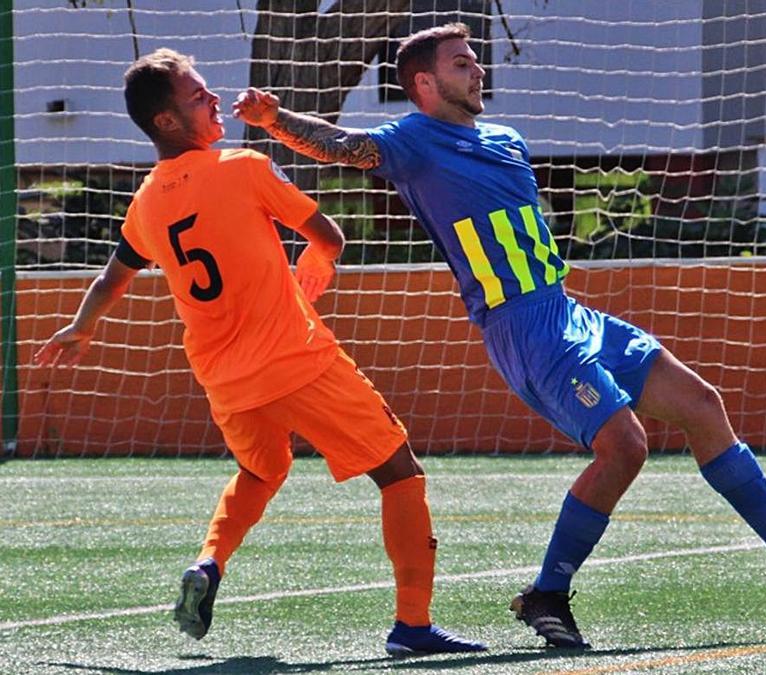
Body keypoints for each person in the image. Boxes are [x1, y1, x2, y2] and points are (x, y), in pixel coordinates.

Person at [234, 23, 766, 650]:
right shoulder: (413, 139)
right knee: (624, 444)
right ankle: (549, 593)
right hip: (523, 325)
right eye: (462, 62)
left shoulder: (507, 139)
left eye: (475, 58)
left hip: (569, 311)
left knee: (701, 405)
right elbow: (345, 144)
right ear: (425, 83)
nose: (478, 67)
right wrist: (274, 119)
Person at [33, 48, 485, 657]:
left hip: (223, 380)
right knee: (399, 472)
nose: (214, 99)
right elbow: (330, 236)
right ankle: (412, 626)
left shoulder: (146, 202)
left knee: (261, 470)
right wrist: (316, 261)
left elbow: (113, 275)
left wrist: (81, 326)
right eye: (198, 96)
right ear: (166, 121)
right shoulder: (244, 166)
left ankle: (210, 563)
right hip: (297, 361)